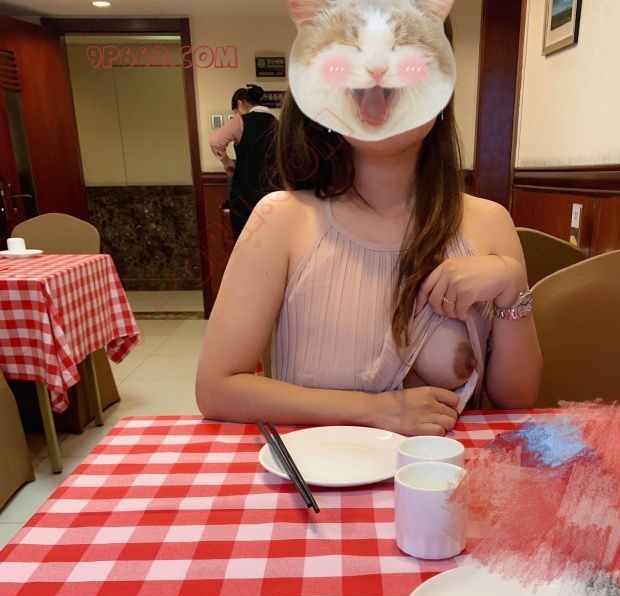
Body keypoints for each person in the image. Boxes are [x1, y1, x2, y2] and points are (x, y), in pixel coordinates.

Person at [197, 9, 542, 437]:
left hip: (450, 475)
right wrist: (374, 410)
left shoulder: (490, 223)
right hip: (318, 474)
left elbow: (517, 400)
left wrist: (512, 283)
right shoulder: (280, 220)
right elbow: (217, 388)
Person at [209, 84, 278, 240]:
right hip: (272, 196)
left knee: (244, 241)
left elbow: (215, 142)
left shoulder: (241, 121)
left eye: (235, 110)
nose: (236, 114)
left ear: (240, 104)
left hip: (245, 196)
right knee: (271, 241)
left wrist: (226, 162)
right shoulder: (277, 123)